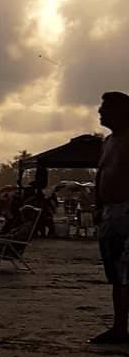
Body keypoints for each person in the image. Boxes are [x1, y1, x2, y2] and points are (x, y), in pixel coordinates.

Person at [90, 91, 129, 347]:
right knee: (116, 274)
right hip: (109, 214)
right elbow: (102, 174)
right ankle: (119, 328)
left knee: (127, 273)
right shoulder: (109, 141)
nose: (100, 111)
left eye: (105, 107)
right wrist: (98, 205)